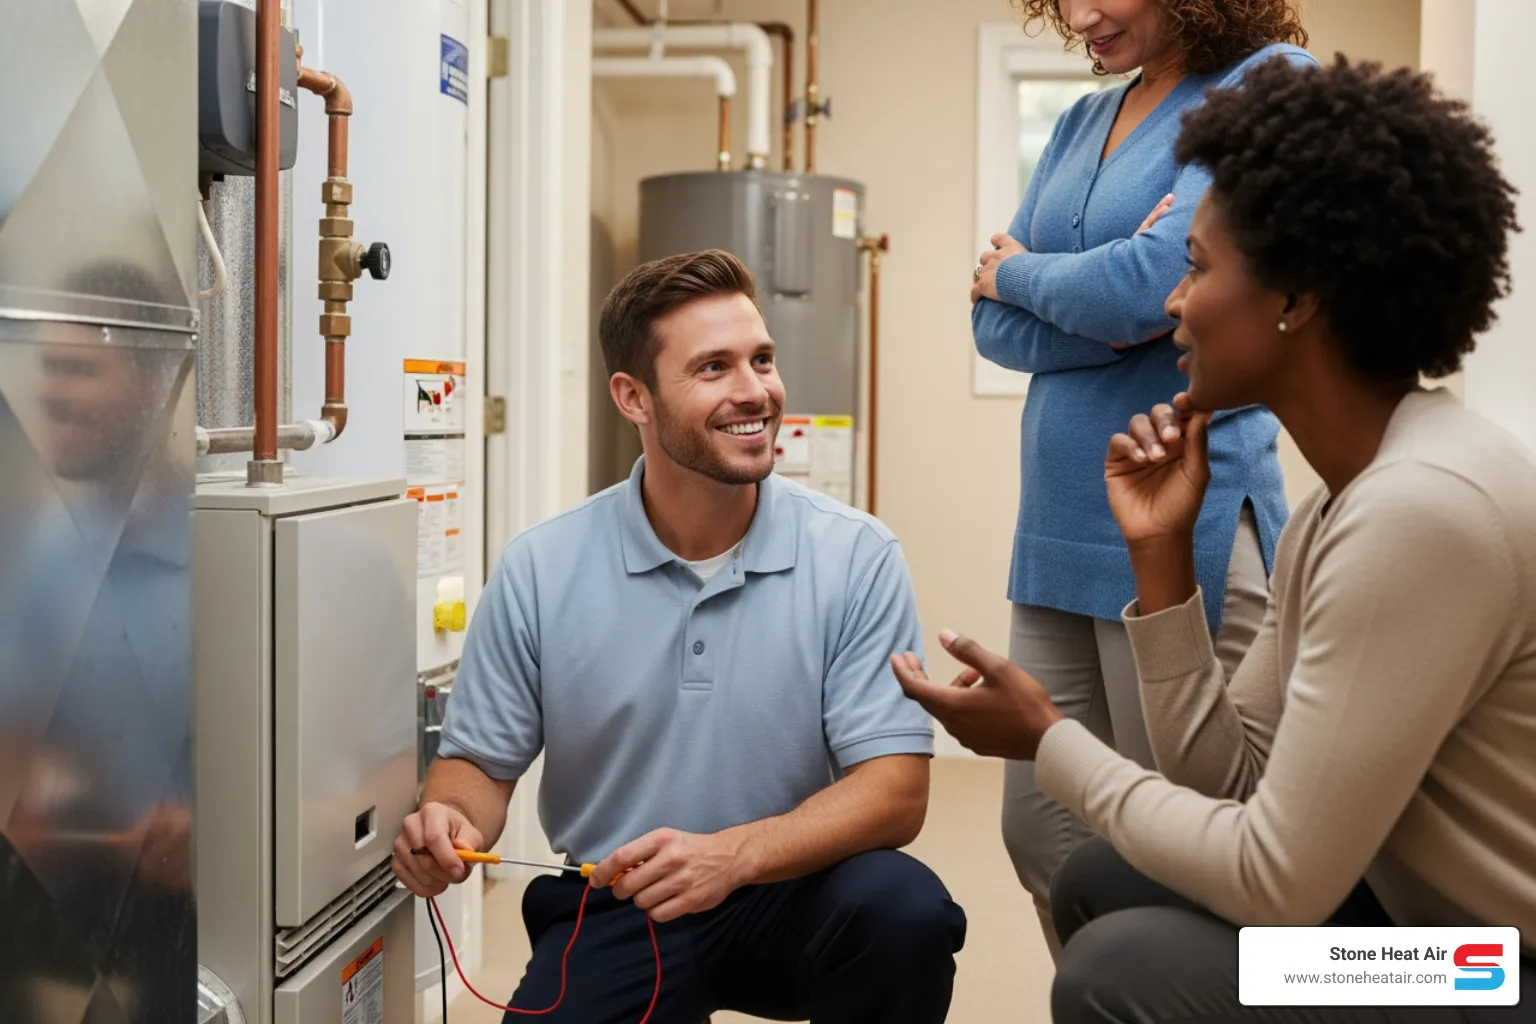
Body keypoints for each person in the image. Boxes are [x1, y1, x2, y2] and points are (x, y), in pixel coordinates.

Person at [898, 55, 1536, 1021]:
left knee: (1121, 966)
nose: (1170, 305)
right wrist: (1162, 566)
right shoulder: (1338, 502)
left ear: (1297, 297)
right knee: (1103, 885)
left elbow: (1274, 882)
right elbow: (1235, 783)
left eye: (1195, 268)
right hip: (1413, 931)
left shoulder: (1420, 512)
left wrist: (1051, 739)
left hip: (1483, 969)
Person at [391, 249, 966, 1023]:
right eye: (714, 368)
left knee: (905, 910)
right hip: (625, 901)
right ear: (634, 397)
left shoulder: (855, 554)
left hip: (792, 890)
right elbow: (476, 769)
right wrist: (450, 822)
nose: (755, 391)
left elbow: (895, 791)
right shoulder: (541, 567)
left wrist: (731, 857)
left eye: (761, 359)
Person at [970, 0, 1313, 956]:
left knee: (1171, 835)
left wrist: (1023, 274)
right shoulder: (1084, 121)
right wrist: (1099, 300)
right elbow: (995, 326)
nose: (1079, 15)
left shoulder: (1262, 86)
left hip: (1179, 513)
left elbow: (1151, 283)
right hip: (1056, 521)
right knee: (1038, 828)